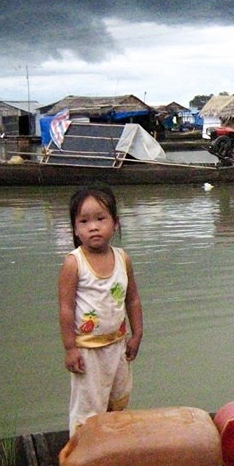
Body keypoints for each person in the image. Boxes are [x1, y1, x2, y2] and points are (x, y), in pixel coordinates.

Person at [59, 184, 144, 436]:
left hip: (118, 345)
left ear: (115, 223)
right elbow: (66, 308)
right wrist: (70, 348)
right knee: (88, 408)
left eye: (100, 218)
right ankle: (83, 452)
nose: (93, 227)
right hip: (88, 351)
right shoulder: (74, 263)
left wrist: (137, 334)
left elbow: (133, 299)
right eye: (84, 221)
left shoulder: (122, 258)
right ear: (75, 228)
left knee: (118, 400)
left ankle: (112, 449)